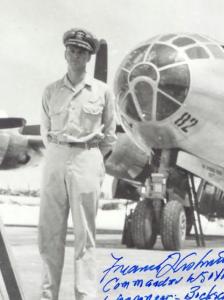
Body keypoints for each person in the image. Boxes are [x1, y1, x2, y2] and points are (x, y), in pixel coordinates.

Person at [39, 28, 116, 300]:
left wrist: (91, 159)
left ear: (89, 57)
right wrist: (60, 155)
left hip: (87, 158)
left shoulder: (102, 92)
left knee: (85, 235)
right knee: (49, 233)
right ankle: (48, 294)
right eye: (72, 49)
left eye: (82, 51)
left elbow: (109, 136)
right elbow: (45, 130)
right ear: (65, 53)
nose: (76, 54)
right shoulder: (50, 91)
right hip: (56, 158)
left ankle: (84, 295)